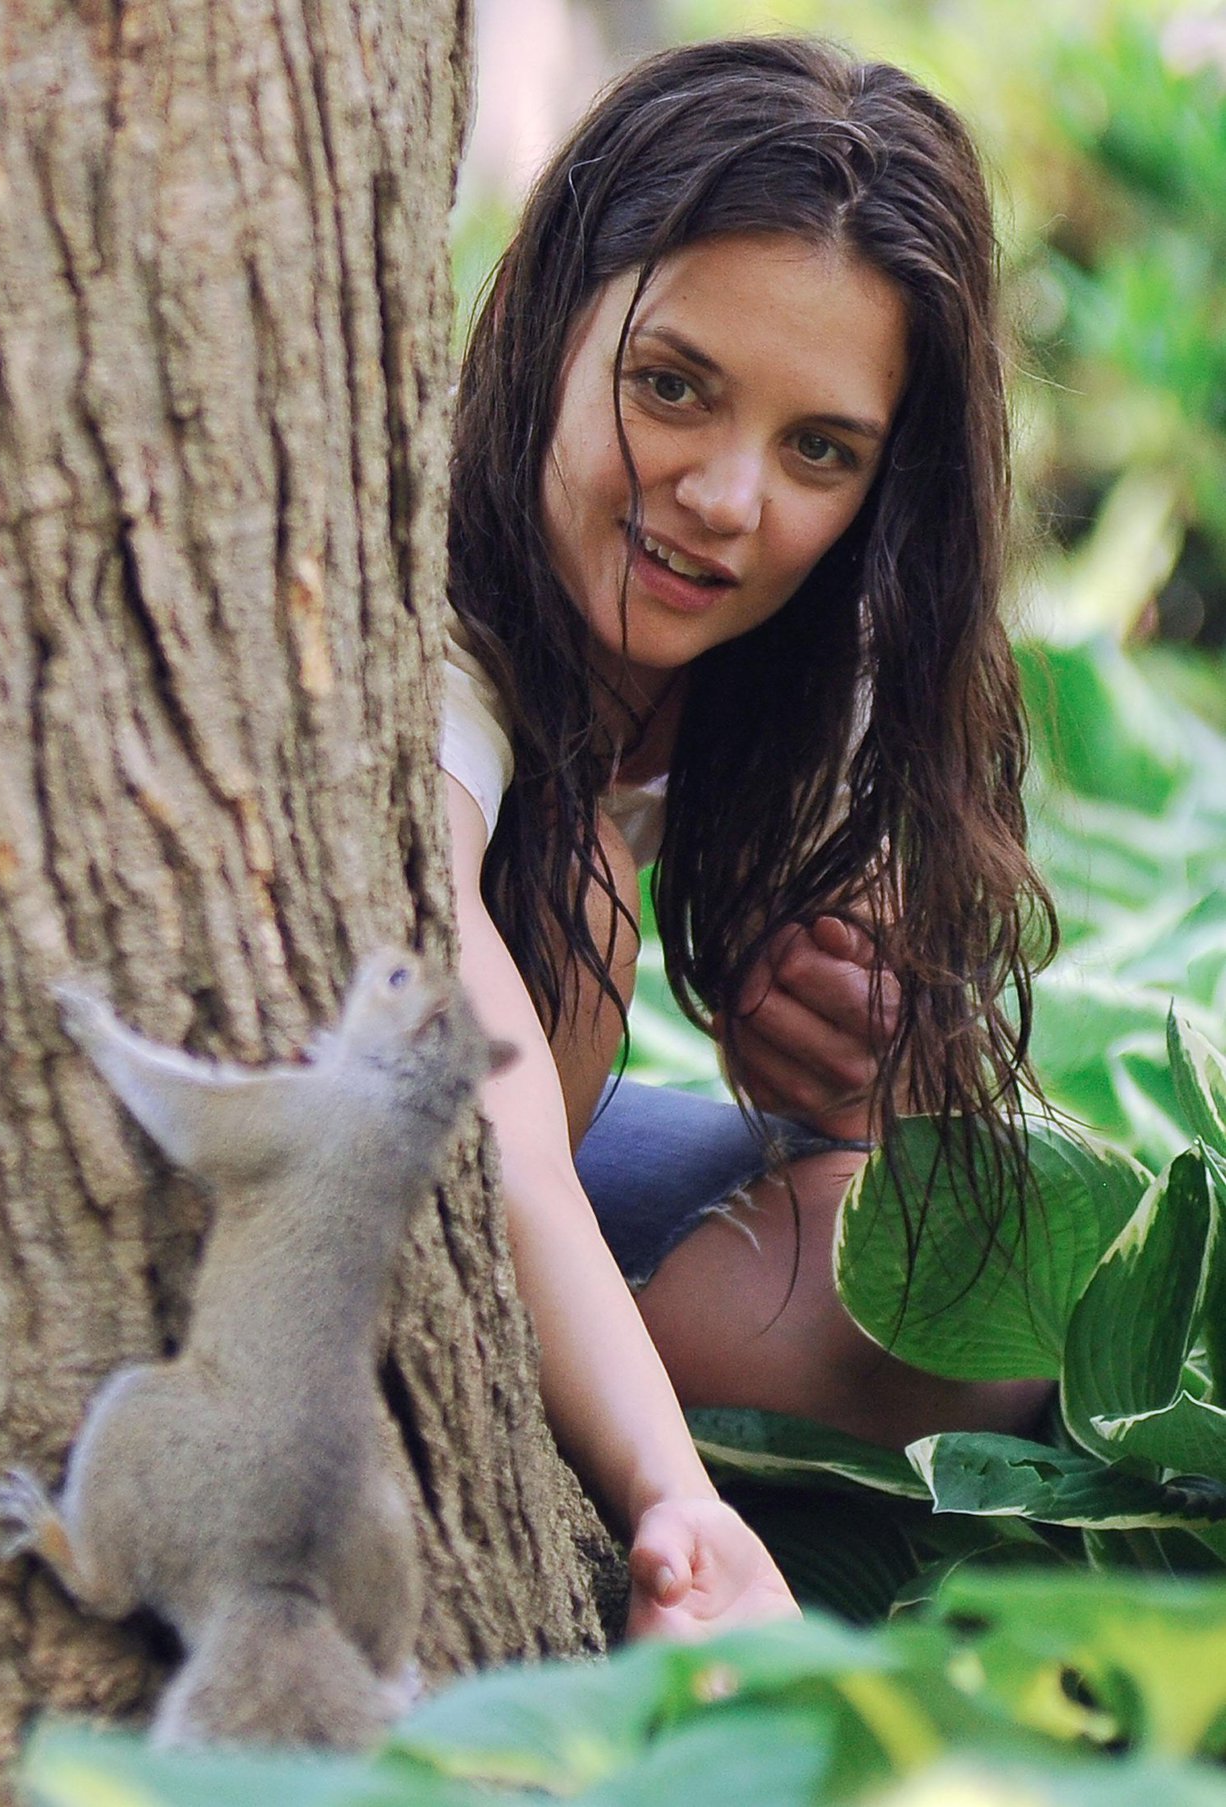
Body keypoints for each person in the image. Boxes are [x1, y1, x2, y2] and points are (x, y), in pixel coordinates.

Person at [441, 36, 1058, 1639]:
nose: (727, 500)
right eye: (671, 385)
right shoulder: (432, 630)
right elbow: (478, 1088)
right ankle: (544, 1400)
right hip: (411, 1171)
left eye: (817, 449)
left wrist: (875, 1084)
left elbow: (955, 1212)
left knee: (981, 1303)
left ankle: (563, 1370)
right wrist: (674, 1497)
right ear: (554, 322)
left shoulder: (808, 648)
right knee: (572, 897)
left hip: (574, 1180)